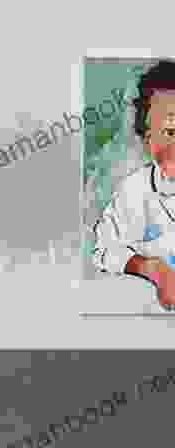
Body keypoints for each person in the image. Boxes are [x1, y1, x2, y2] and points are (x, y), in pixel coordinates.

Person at [93, 60, 175, 310]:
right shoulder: (135, 190)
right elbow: (104, 249)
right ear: (148, 139)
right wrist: (151, 268)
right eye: (171, 131)